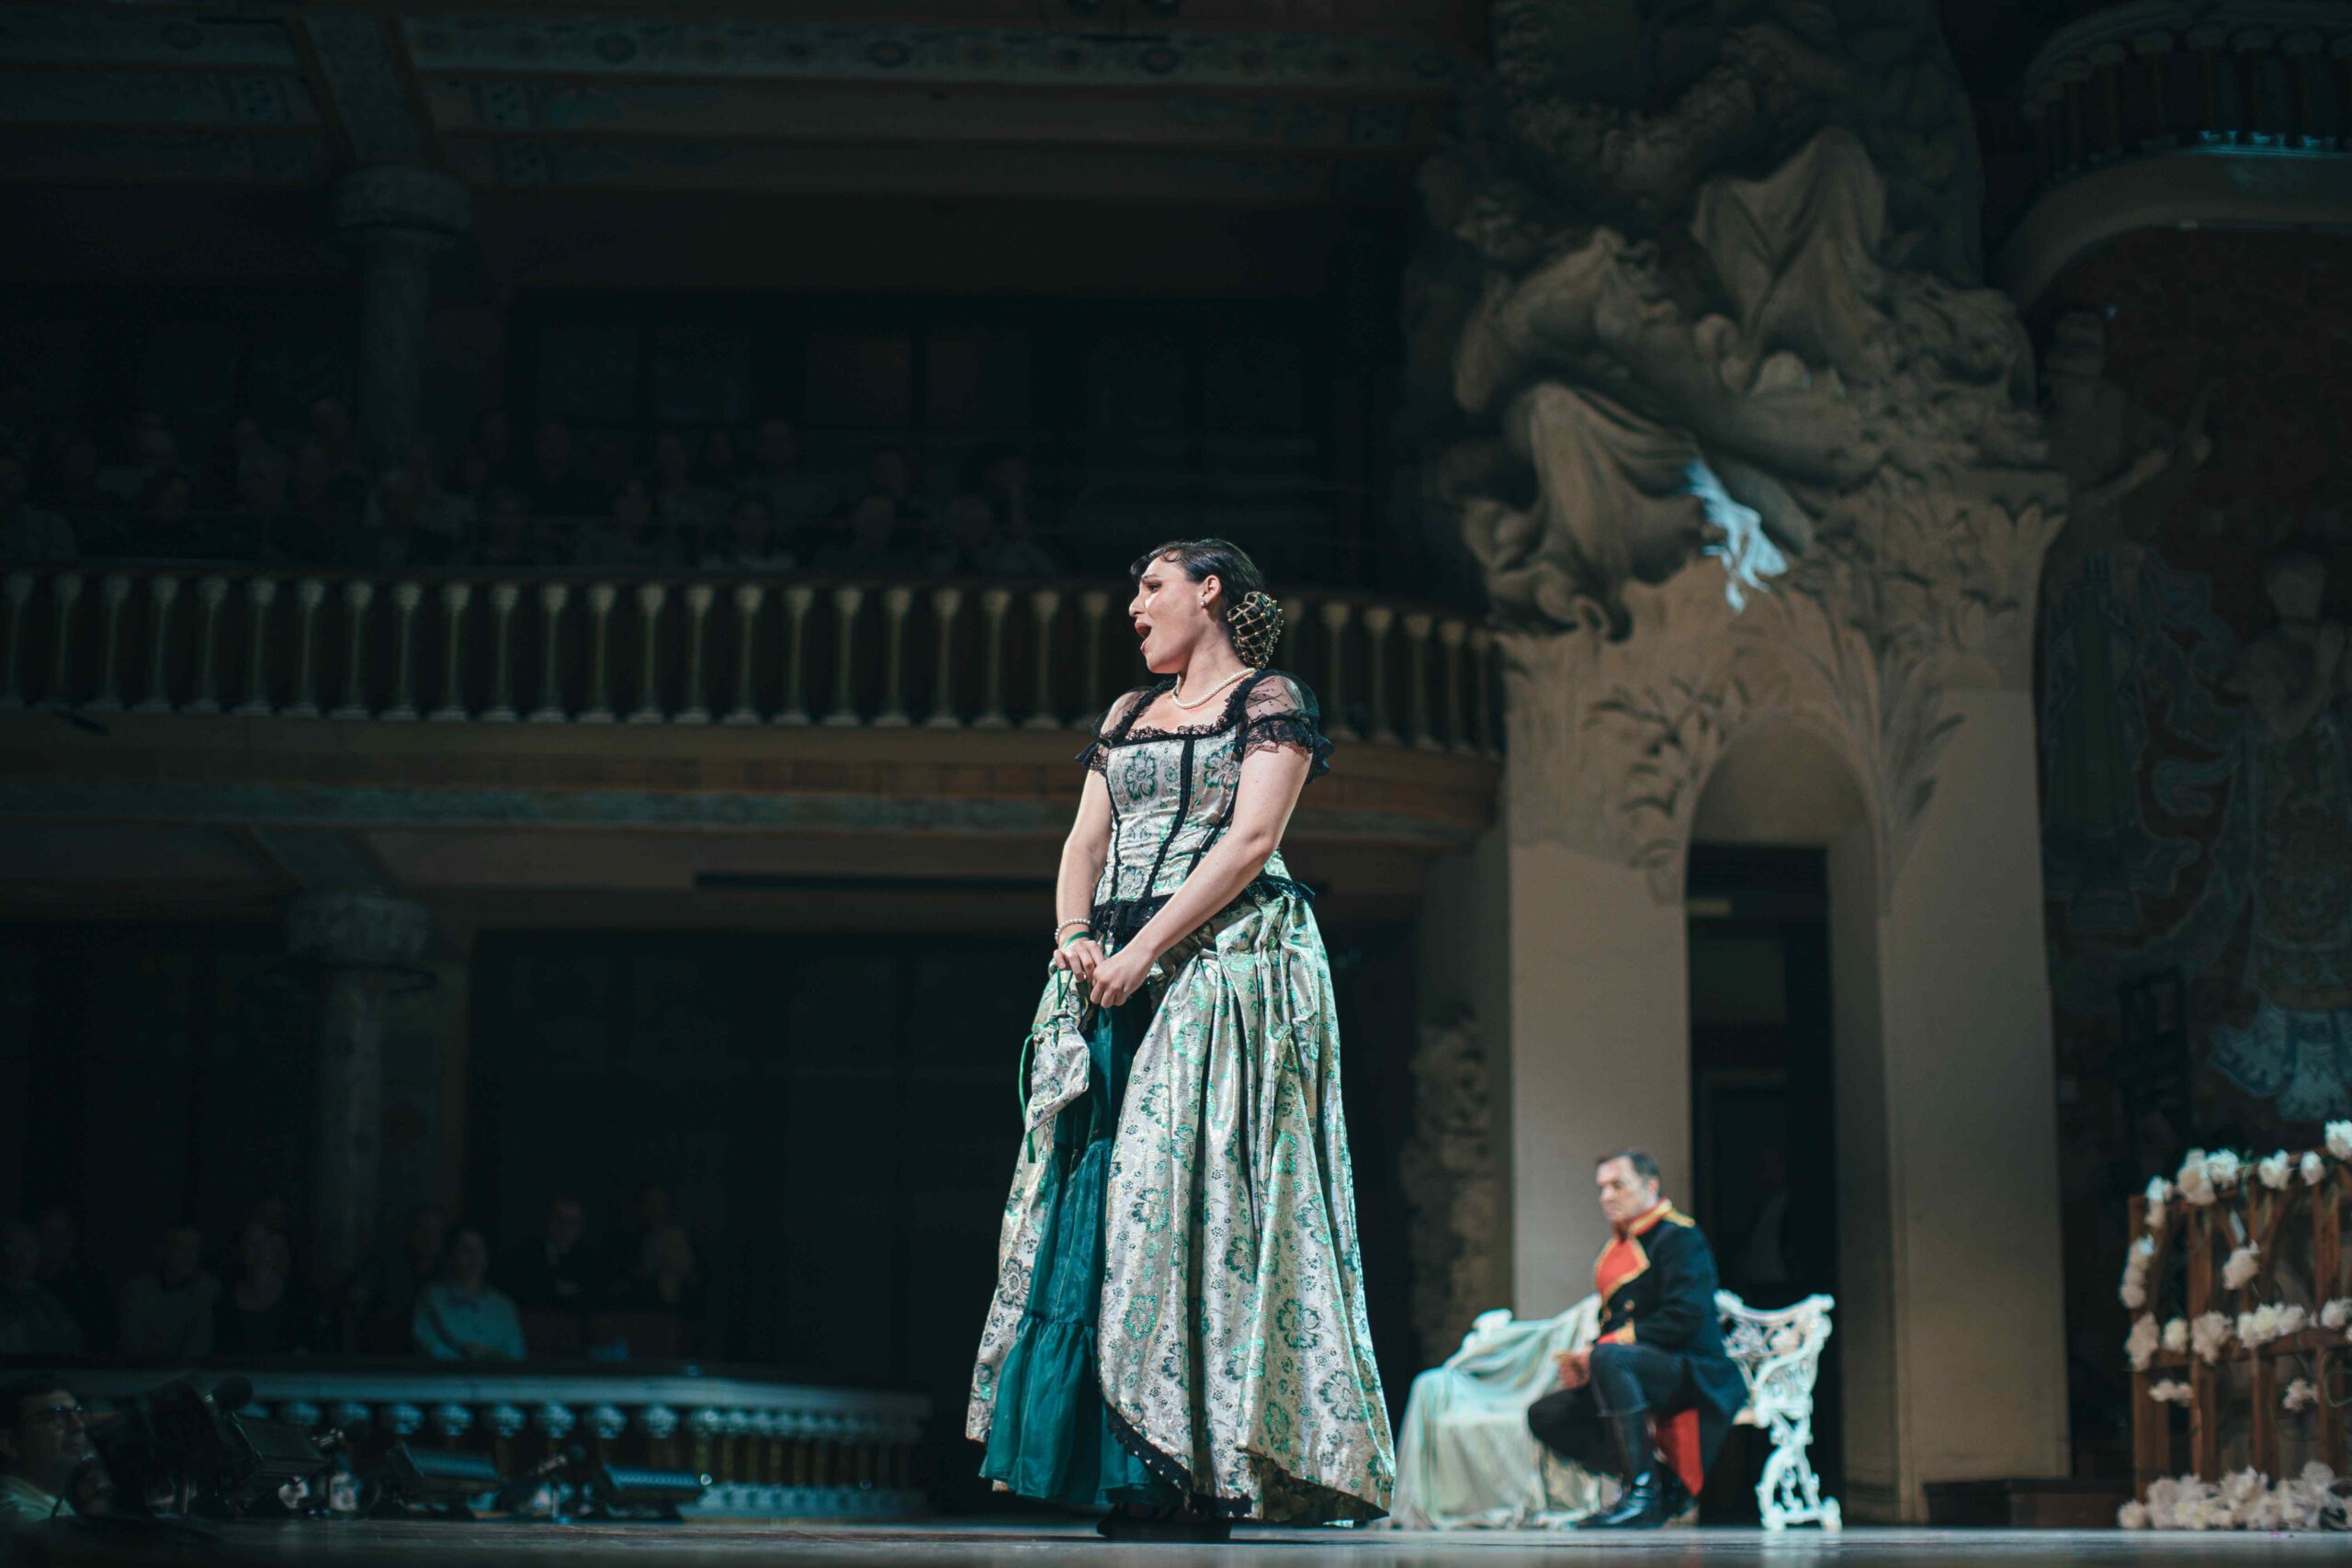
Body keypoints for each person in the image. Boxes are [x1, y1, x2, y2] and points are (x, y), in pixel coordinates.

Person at [968, 539, 1392, 1535]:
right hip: (1109, 969)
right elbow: (1086, 840)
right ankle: (1129, 1472)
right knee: (1099, 1203)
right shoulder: (1127, 713)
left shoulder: (1268, 700)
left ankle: (1198, 1465)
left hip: (1220, 968)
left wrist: (1145, 949)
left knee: (1191, 1201)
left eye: (1151, 586)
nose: (1135, 606)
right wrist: (1076, 934)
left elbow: (1250, 841)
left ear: (1210, 592)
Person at [1525, 1150, 1745, 1529]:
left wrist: (1602, 1351)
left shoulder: (1679, 1236)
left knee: (1610, 1358)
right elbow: (1616, 1324)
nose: (1607, 1196)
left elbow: (1684, 1318)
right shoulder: (1620, 1245)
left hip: (1692, 1371)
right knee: (1547, 1415)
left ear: (1650, 1186)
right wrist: (1586, 1361)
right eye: (1601, 1188)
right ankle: (1660, 1484)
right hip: (1635, 1370)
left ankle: (1640, 1496)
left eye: (1618, 1185)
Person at [413, 1227, 526, 1361]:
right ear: (451, 1257)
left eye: (479, 1250)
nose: (474, 1257)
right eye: (465, 1250)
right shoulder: (431, 1299)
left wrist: (489, 1355)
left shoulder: (504, 1306)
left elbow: (516, 1355)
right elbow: (429, 1348)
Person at [117, 1222, 220, 1361]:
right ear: (162, 1250)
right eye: (180, 1247)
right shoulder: (137, 1290)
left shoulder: (210, 1289)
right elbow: (132, 1346)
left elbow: (200, 1348)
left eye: (193, 1248)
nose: (187, 1255)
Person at [0, 1376, 91, 1524]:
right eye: (56, 1416)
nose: (79, 1426)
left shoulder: (52, 1499)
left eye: (78, 1413)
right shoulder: (20, 1516)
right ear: (10, 1444)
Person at [500, 1197, 597, 1315]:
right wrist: (551, 1289)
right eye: (560, 1219)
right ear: (548, 1220)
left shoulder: (589, 1259)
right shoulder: (524, 1253)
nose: (565, 1227)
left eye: (572, 1222)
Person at [32, 1209, 108, 1354]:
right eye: (49, 1233)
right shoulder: (24, 1283)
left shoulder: (92, 1285)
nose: (56, 1241)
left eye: (62, 1233)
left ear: (73, 1238)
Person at [0, 1225, 80, 1358]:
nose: (22, 1257)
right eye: (13, 1248)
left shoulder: (51, 1301)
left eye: (29, 1248)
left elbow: (70, 1344)